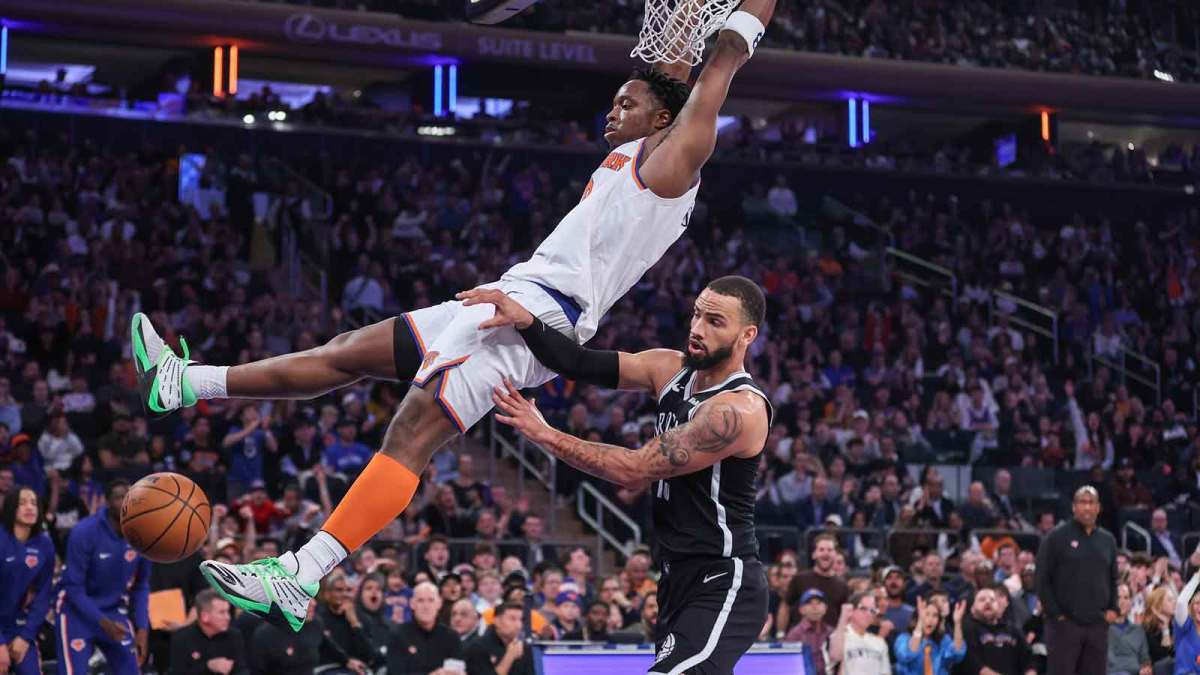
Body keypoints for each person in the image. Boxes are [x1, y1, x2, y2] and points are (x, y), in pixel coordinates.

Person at [140, 0, 778, 634]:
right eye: (614, 101)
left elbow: (719, 63)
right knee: (348, 351)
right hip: (514, 293)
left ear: (665, 118)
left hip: (532, 315)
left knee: (410, 435)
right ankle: (186, 382)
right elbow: (669, 62)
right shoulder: (641, 143)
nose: (612, 110)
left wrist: (743, 18)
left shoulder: (672, 161)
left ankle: (301, 574)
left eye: (627, 104)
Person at [477, 275, 774, 674]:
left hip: (724, 577)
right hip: (673, 577)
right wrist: (527, 320)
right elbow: (578, 362)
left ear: (747, 335)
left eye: (715, 322)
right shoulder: (669, 367)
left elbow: (633, 471)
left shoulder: (737, 411)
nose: (698, 329)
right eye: (697, 315)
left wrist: (544, 434)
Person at [55, 480, 151, 675]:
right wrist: (102, 622)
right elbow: (73, 587)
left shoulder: (143, 534)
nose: (126, 501)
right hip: (76, 612)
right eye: (119, 497)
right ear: (107, 502)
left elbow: (141, 585)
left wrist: (142, 627)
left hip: (114, 610)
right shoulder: (84, 532)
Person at [1035, 485, 1119, 675]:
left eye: (1091, 503)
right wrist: (1056, 614)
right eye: (1082, 502)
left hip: (1097, 624)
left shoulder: (1108, 540)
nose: (1087, 507)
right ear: (1074, 507)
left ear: (1098, 508)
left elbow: (1113, 577)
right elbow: (1041, 578)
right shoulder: (1056, 537)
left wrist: (1113, 608)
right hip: (1065, 625)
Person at [0, 486, 55, 675]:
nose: (29, 508)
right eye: (22, 503)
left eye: (33, 503)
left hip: (20, 627)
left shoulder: (45, 544)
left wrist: (26, 636)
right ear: (10, 508)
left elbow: (43, 595)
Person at [387, 582, 463, 675]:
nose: (426, 606)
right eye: (420, 600)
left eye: (431, 600)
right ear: (412, 604)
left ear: (439, 604)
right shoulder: (397, 636)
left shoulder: (451, 637)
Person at [779, 533, 850, 632]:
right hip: (801, 640)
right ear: (814, 554)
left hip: (830, 642)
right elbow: (785, 606)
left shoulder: (842, 585)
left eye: (829, 550)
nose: (825, 553)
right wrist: (780, 634)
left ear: (835, 554)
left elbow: (845, 616)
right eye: (821, 549)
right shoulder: (800, 579)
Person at [168, 590, 250, 675]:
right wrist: (208, 666)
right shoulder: (181, 638)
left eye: (228, 612)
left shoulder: (234, 635)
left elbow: (242, 669)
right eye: (221, 612)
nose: (228, 617)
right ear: (204, 616)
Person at [960, 585, 1036, 675]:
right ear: (972, 608)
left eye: (992, 600)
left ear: (998, 606)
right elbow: (973, 664)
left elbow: (1029, 661)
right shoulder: (968, 629)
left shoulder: (1013, 630)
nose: (988, 602)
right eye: (982, 600)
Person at [894, 594, 965, 675]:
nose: (930, 620)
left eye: (935, 615)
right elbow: (907, 655)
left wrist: (957, 623)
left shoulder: (943, 640)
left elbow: (957, 654)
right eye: (926, 614)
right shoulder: (903, 639)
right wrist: (920, 621)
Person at [827, 590, 891, 674]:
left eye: (872, 611)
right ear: (851, 610)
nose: (868, 614)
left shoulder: (879, 642)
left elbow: (885, 673)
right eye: (863, 609)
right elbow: (835, 656)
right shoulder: (839, 636)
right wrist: (843, 618)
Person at [464, 602, 533, 675]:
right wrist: (509, 657)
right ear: (497, 621)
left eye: (521, 620)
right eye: (512, 619)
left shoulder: (525, 648)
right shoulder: (478, 647)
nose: (519, 625)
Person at [1108, 582, 1152, 675]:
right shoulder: (1103, 629)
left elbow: (1145, 660)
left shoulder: (1138, 630)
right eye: (1118, 597)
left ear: (1131, 602)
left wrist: (1146, 668)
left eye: (1126, 597)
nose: (1122, 601)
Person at [783, 589, 831, 675]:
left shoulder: (831, 632)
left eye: (819, 603)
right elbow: (788, 665)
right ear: (801, 609)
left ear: (825, 608)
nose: (815, 607)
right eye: (809, 603)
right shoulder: (795, 634)